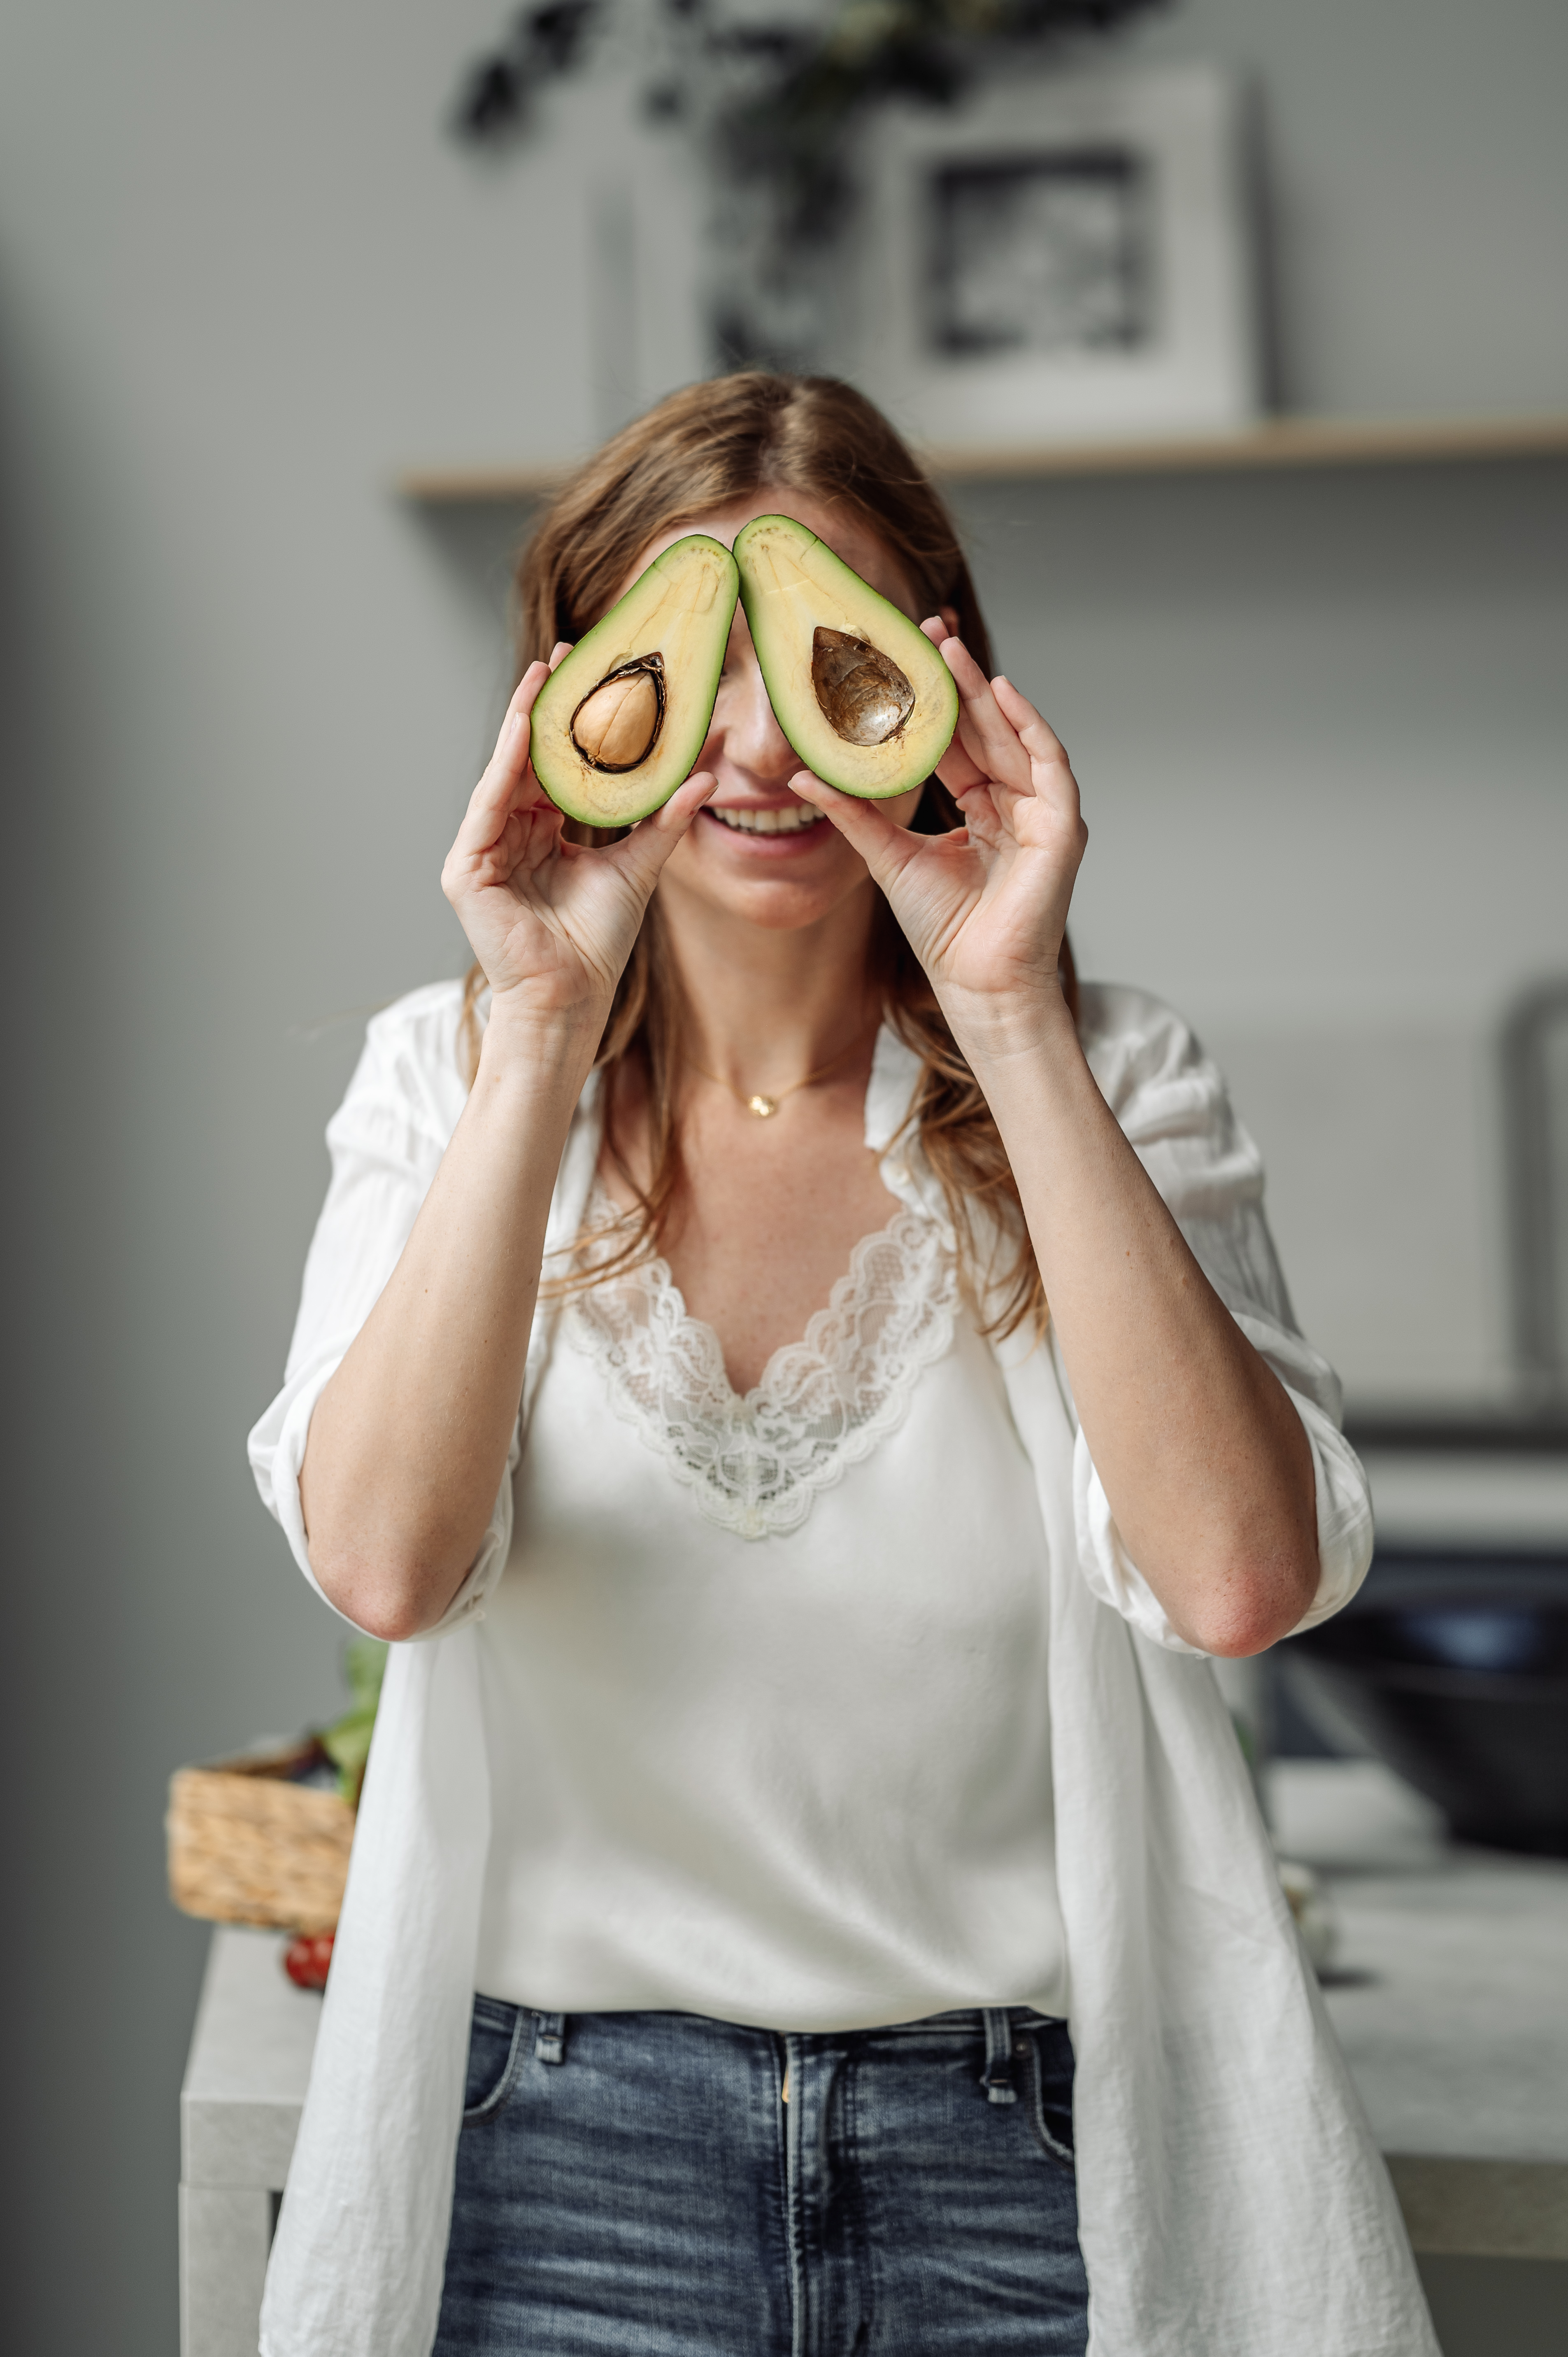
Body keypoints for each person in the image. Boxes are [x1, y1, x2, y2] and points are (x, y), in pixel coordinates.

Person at [249, 374, 1437, 2357]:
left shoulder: (1115, 1073)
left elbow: (1236, 1583)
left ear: (938, 687)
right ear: (564, 706)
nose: (760, 746)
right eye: (681, 663)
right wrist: (537, 1031)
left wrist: (1015, 1013)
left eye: (820, 664)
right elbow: (384, 1562)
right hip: (557, 2171)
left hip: (1022, 2167)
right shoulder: (445, 1074)